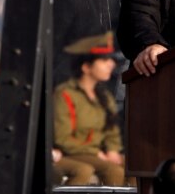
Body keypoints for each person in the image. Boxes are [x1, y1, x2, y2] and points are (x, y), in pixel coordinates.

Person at [53, 33, 128, 186]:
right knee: (113, 170)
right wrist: (96, 153)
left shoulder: (104, 97)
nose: (111, 64)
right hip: (73, 152)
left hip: (97, 153)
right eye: (104, 60)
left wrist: (112, 150)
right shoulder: (65, 95)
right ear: (86, 67)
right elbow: (62, 138)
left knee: (134, 167)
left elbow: (111, 131)